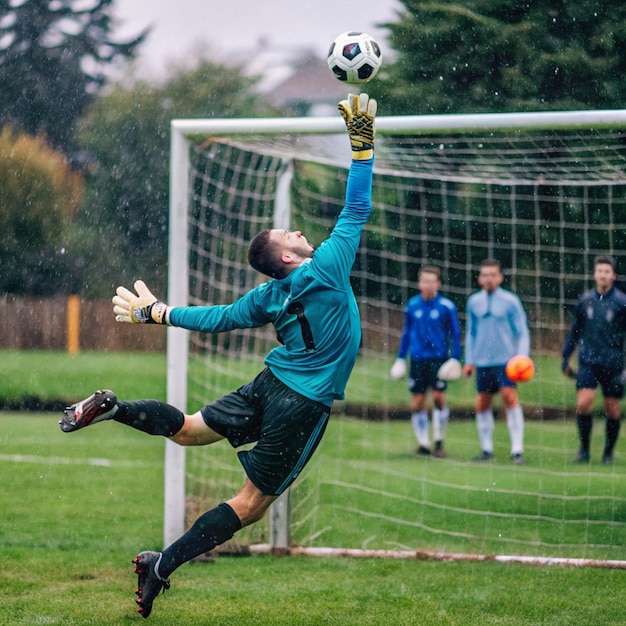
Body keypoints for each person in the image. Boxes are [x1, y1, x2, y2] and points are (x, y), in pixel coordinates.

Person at [59, 93, 377, 619]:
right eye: (290, 233)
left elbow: (219, 316)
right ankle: (160, 567)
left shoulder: (271, 295)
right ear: (288, 255)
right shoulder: (330, 266)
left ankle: (114, 407)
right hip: (302, 404)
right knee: (250, 505)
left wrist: (158, 313)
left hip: (268, 385)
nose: (299, 230)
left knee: (187, 429)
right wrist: (361, 149)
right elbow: (357, 207)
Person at [462, 258, 530, 464]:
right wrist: (469, 360)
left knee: (509, 398)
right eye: (484, 274)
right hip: (482, 361)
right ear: (480, 278)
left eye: (492, 274)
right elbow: (472, 333)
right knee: (482, 403)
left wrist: (521, 357)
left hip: (506, 362)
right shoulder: (474, 301)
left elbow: (522, 331)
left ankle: (517, 450)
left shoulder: (510, 301)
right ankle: (486, 450)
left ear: (500, 277)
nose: (488, 278)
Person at [390, 265, 461, 457]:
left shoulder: (447, 306)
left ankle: (438, 442)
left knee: (438, 398)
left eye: (432, 281)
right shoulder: (412, 305)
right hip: (418, 360)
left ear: (438, 284)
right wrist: (400, 359)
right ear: (419, 283)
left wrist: (455, 358)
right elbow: (407, 333)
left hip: (438, 359)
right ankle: (423, 444)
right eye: (424, 281)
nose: (428, 285)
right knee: (417, 402)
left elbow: (455, 334)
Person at [561, 255, 626, 464]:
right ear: (594, 274)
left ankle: (608, 453)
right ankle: (584, 451)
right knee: (583, 403)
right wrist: (565, 356)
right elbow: (575, 331)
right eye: (600, 271)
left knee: (612, 408)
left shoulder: (621, 302)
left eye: (607, 272)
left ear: (614, 276)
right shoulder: (585, 300)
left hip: (614, 363)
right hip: (588, 360)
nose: (603, 275)